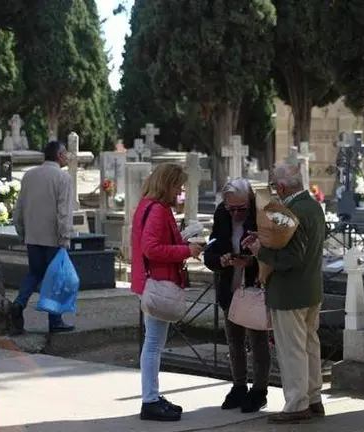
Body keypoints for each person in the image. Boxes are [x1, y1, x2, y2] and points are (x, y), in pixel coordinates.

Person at [243, 164, 327, 424]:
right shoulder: (313, 206)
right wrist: (265, 238)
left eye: (274, 187)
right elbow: (293, 245)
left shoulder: (293, 211)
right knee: (310, 346)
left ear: (280, 187)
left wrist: (260, 251)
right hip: (311, 288)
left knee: (292, 351)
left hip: (290, 292)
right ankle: (313, 399)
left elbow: (291, 257)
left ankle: (296, 405)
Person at [131, 163, 203, 422]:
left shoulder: (147, 206)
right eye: (177, 186)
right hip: (158, 281)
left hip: (151, 280)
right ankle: (150, 400)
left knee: (153, 343)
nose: (180, 191)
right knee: (153, 345)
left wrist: (183, 243)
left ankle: (152, 396)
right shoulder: (158, 210)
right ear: (167, 185)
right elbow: (151, 248)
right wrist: (185, 251)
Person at [204, 178, 270, 413]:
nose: (236, 214)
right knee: (234, 341)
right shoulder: (222, 213)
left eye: (241, 209)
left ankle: (260, 390)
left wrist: (252, 259)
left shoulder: (260, 214)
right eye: (231, 209)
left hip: (254, 283)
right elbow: (211, 249)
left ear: (250, 203)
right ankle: (239, 386)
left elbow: (271, 250)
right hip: (230, 283)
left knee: (258, 341)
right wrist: (220, 259)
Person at [10, 140, 76, 334]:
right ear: (59, 155)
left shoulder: (29, 176)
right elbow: (63, 211)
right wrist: (65, 237)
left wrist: (22, 232)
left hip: (33, 236)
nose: (67, 157)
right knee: (56, 278)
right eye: (65, 153)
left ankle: (19, 303)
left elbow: (19, 208)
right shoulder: (63, 178)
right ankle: (54, 321)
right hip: (54, 238)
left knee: (34, 273)